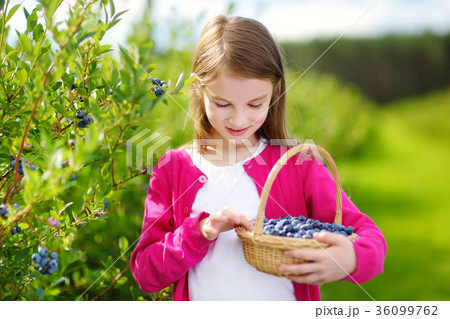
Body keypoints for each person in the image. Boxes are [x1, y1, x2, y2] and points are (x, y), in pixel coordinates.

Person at [130, 15, 386, 301]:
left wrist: (351, 258)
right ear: (199, 91)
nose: (239, 119)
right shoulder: (173, 168)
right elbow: (146, 272)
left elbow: (369, 237)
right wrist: (201, 231)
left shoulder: (297, 165)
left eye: (255, 104)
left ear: (274, 93)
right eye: (222, 103)